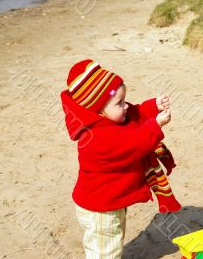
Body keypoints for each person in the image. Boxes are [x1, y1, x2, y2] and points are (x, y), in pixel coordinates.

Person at [60, 59, 181, 258]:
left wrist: (154, 106)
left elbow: (135, 113)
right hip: (100, 209)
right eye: (119, 103)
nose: (126, 106)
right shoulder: (95, 139)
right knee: (105, 250)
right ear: (98, 110)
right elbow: (132, 145)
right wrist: (156, 125)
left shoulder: (112, 118)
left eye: (124, 100)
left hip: (111, 203)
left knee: (112, 242)